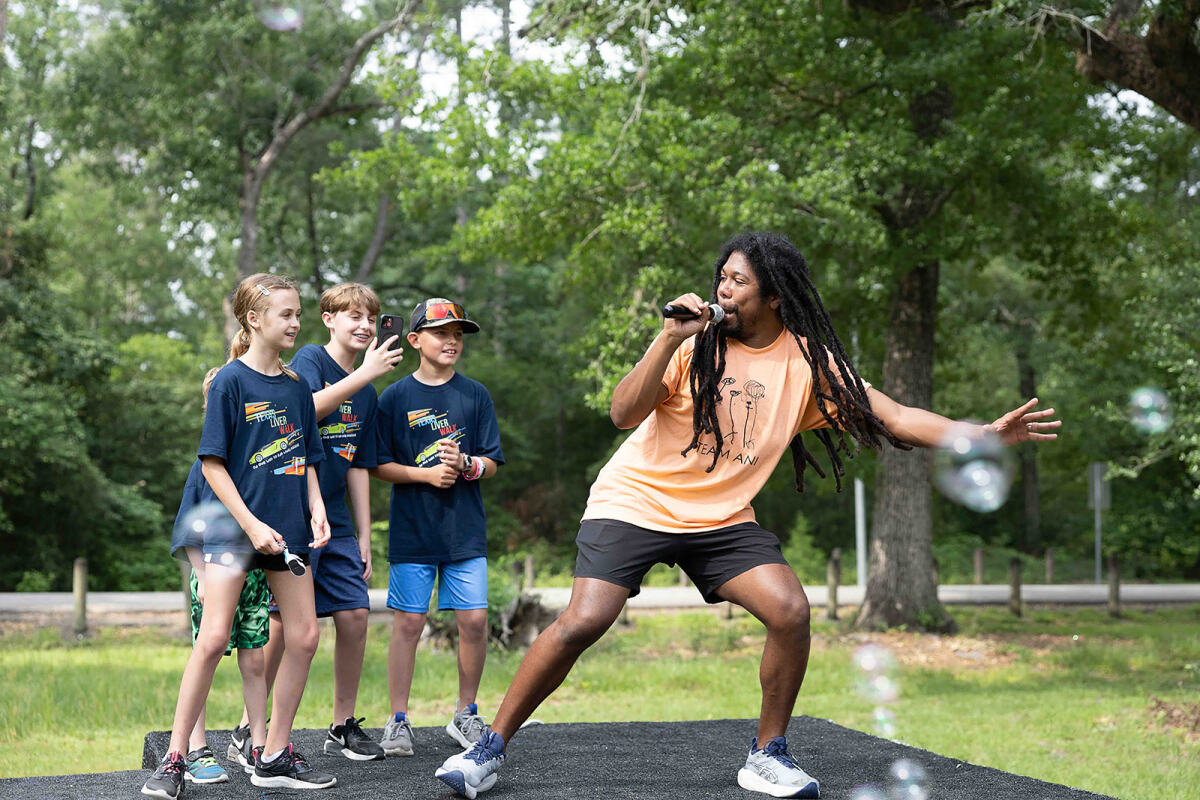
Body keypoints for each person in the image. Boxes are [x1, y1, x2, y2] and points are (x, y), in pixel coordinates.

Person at [434, 232, 1061, 800]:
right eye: (722, 278)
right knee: (585, 620)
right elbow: (623, 413)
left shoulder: (809, 362)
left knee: (790, 609)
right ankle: (488, 749)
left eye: (739, 281)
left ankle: (767, 755)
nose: (723, 290)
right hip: (636, 501)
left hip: (722, 518)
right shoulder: (693, 346)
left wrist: (979, 435)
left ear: (775, 297)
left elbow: (894, 416)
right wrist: (667, 337)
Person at [141, 273, 335, 799]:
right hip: (235, 533)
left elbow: (307, 456)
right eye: (286, 314)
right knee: (212, 639)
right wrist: (250, 525)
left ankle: (272, 754)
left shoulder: (297, 387)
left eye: (298, 314)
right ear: (254, 319)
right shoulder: (229, 382)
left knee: (305, 637)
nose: (295, 323)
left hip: (289, 533)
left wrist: (317, 508)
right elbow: (212, 464)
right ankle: (176, 758)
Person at [229, 282, 403, 763]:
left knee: (355, 614)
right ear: (329, 319)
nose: (365, 326)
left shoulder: (367, 392)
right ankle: (249, 726)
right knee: (284, 625)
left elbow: (359, 465)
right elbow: (304, 410)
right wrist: (364, 374)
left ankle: (342, 724)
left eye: (371, 319)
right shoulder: (309, 360)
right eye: (354, 317)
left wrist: (365, 534)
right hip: (293, 514)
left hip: (337, 520)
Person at [370, 298, 505, 757]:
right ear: (414, 340)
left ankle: (466, 713)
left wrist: (467, 464)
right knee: (409, 623)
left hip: (464, 530)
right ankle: (398, 720)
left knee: (474, 621)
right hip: (413, 531)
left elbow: (492, 462)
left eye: (458, 334)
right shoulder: (394, 398)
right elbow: (378, 465)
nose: (451, 341)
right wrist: (425, 475)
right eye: (441, 333)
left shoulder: (475, 395)